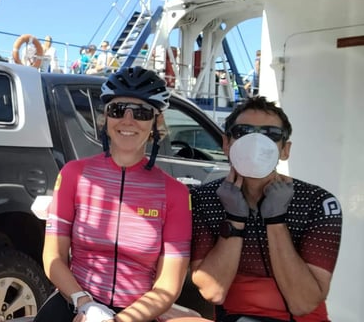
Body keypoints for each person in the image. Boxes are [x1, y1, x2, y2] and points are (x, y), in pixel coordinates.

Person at [35, 66, 192, 322]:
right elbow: (53, 256)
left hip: (137, 313)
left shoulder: (175, 193)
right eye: (118, 110)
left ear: (156, 123)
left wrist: (117, 321)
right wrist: (84, 304)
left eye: (141, 113)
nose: (128, 120)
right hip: (75, 301)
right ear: (105, 118)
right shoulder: (73, 175)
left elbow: (167, 286)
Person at [190, 96, 342, 322]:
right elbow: (213, 291)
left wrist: (276, 220)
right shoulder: (203, 198)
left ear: (285, 150)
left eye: (271, 134)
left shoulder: (318, 203)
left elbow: (303, 303)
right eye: (243, 132)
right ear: (226, 144)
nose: (256, 142)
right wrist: (234, 218)